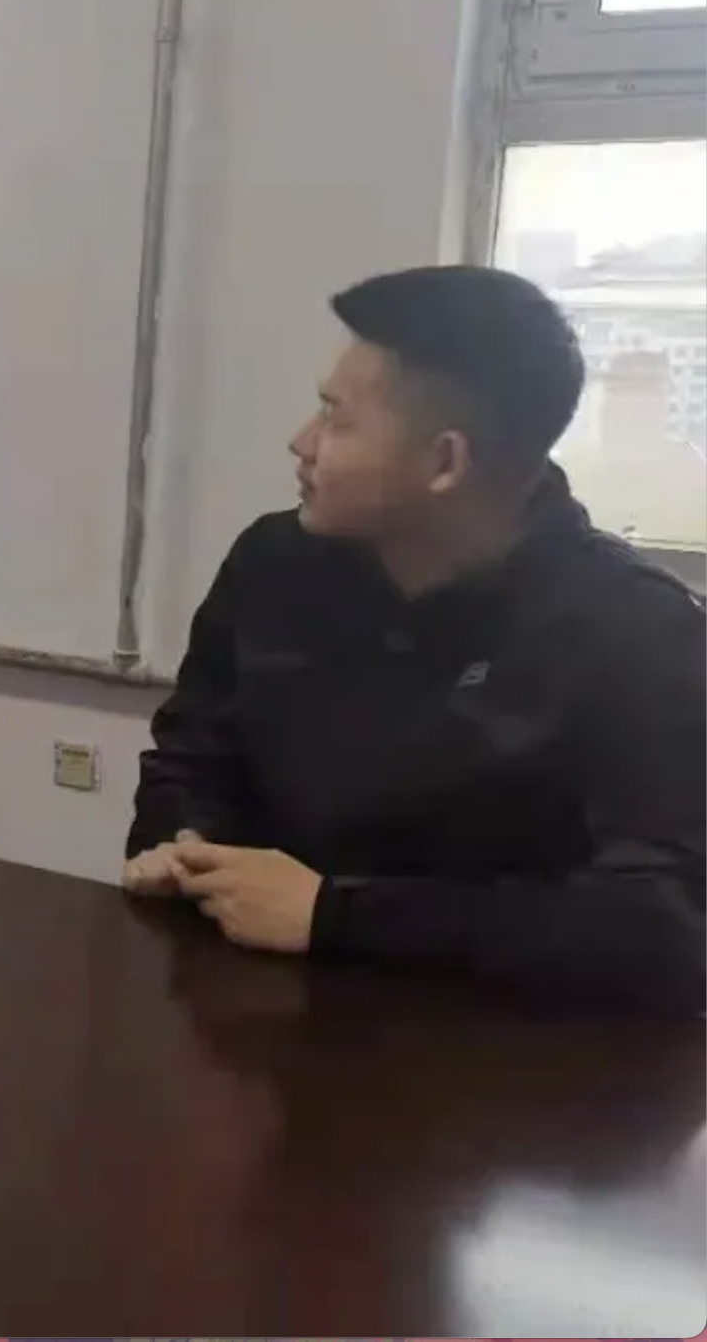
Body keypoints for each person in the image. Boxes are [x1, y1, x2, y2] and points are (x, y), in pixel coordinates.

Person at [125, 265, 704, 1014]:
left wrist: (335, 915)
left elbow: (661, 930)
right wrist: (185, 847)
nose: (300, 442)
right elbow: (191, 756)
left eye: (336, 419)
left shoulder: (639, 632)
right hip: (260, 1027)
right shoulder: (274, 565)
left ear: (444, 462)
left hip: (511, 1058)